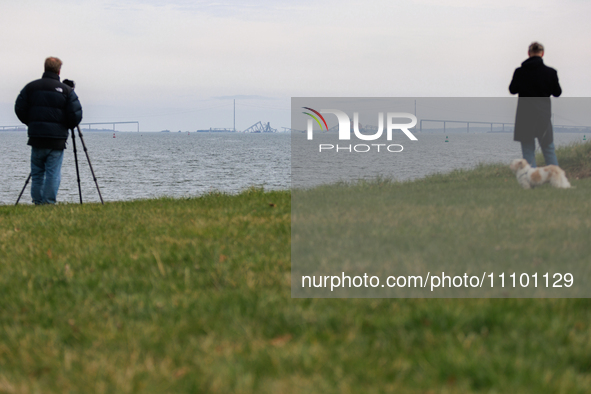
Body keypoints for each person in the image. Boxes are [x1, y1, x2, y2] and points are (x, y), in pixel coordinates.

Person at [14, 57, 83, 205]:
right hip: (56, 140)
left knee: (37, 173)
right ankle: (48, 203)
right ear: (59, 70)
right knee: (53, 173)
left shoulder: (31, 87)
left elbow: (19, 108)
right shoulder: (66, 90)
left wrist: (32, 123)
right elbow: (76, 115)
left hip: (37, 137)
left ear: (44, 68)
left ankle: (37, 202)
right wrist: (65, 125)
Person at [509, 42, 562, 167]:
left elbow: (512, 90)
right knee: (549, 150)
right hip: (543, 117)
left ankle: (532, 182)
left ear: (528, 54)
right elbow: (557, 92)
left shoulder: (519, 72)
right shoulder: (551, 72)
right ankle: (556, 181)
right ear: (542, 54)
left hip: (525, 117)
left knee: (528, 153)